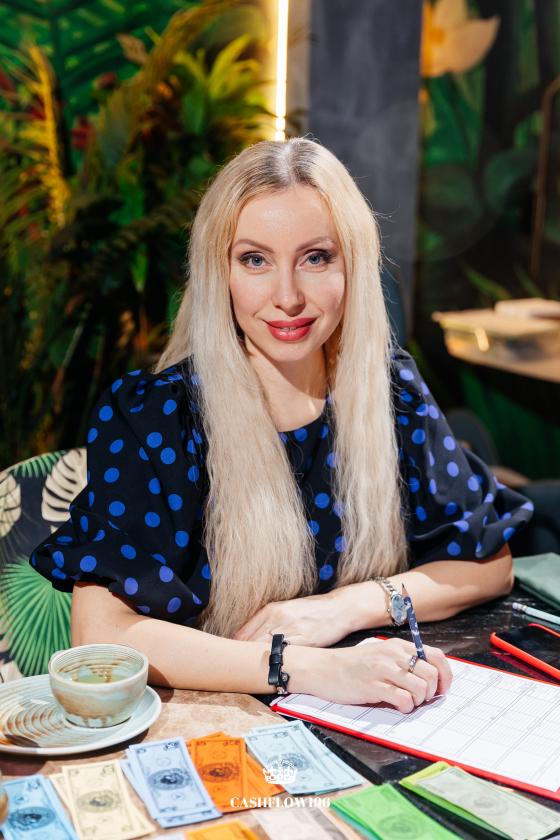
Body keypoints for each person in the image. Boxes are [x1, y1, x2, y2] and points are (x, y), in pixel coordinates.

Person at [31, 138, 533, 712]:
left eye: (316, 258)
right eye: (255, 260)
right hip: (218, 725)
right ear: (219, 271)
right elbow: (101, 635)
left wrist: (343, 608)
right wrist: (306, 666)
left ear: (353, 264)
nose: (288, 297)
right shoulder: (153, 418)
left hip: (367, 715)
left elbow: (488, 565)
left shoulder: (390, 390)